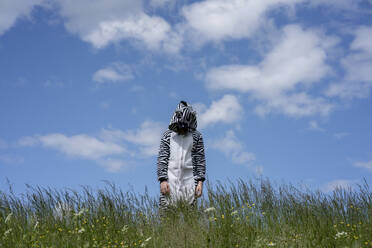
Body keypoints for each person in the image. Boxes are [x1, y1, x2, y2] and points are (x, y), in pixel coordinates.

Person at [157, 101, 206, 209]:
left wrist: (200, 183)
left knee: (190, 216)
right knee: (166, 216)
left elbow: (200, 160)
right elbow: (162, 158)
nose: (182, 128)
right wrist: (163, 180)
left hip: (190, 181)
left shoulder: (197, 136)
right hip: (170, 180)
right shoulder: (167, 135)